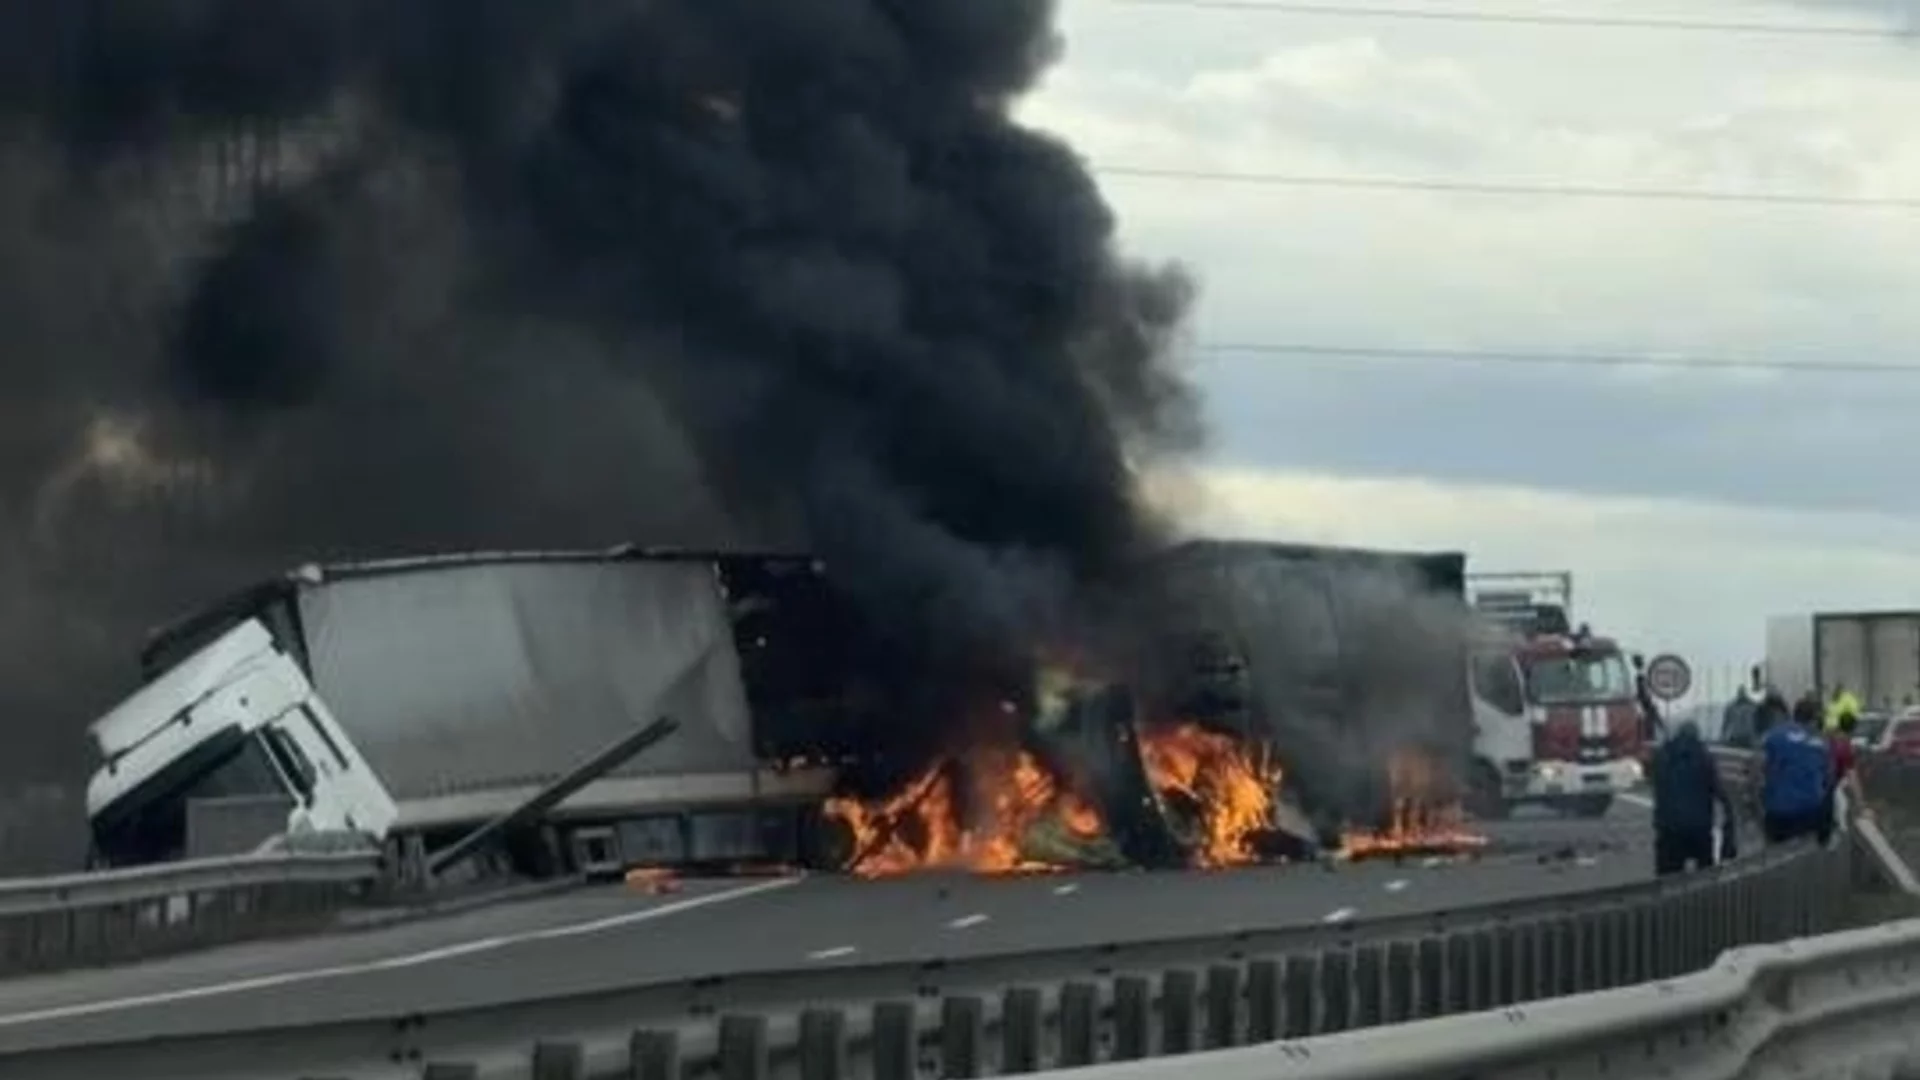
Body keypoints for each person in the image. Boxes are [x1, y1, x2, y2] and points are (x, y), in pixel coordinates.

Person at [1649, 720, 1734, 875]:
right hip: (1699, 827)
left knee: (1668, 880)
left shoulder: (1664, 755)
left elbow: (1656, 785)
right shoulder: (1704, 756)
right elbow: (1718, 790)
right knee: (1704, 876)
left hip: (1669, 828)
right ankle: (1703, 898)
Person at [1759, 699, 1835, 846]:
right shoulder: (1820, 742)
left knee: (1775, 854)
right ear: (1814, 719)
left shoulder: (1773, 736)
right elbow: (1829, 778)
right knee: (1807, 853)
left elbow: (1757, 771)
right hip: (1809, 811)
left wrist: (1760, 802)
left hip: (1778, 811)